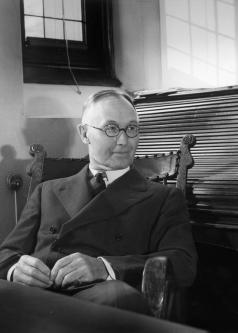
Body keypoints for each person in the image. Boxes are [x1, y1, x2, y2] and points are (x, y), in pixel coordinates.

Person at [0, 89, 197, 315]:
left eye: (131, 129)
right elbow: (7, 253)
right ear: (84, 134)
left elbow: (183, 264)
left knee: (117, 297)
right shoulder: (48, 191)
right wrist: (17, 269)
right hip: (35, 297)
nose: (124, 141)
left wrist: (105, 267)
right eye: (111, 128)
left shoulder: (163, 198)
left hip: (99, 304)